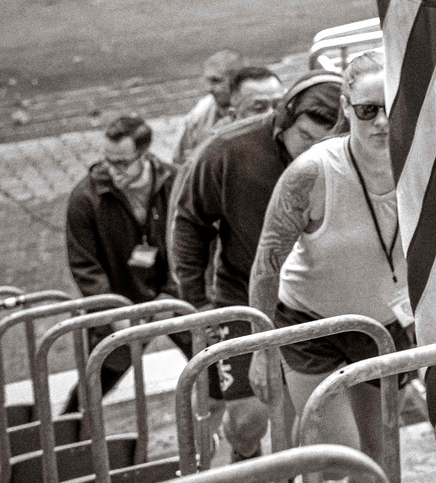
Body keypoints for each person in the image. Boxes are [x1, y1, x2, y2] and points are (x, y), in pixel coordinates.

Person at [247, 49, 412, 483]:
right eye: (366, 110)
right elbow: (266, 264)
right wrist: (262, 350)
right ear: (345, 107)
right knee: (342, 449)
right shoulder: (313, 172)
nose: (380, 122)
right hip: (309, 321)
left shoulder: (420, 161)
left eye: (390, 108)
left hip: (381, 323)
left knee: (378, 451)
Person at [170, 72, 344, 460]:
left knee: (306, 415)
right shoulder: (228, 150)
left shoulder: (350, 154)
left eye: (328, 141)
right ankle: (243, 457)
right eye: (306, 138)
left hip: (314, 301)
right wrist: (196, 302)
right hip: (243, 297)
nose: (317, 150)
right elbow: (189, 222)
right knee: (250, 418)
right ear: (283, 121)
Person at [64, 115, 178, 410]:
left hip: (174, 297)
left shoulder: (175, 183)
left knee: (216, 371)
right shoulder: (86, 198)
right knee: (95, 383)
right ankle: (70, 430)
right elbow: (84, 266)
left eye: (123, 164)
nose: (114, 172)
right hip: (120, 301)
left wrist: (173, 295)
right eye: (108, 161)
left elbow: (191, 245)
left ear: (145, 154)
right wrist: (113, 311)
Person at [173, 49, 242, 166]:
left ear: (236, 81)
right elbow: (179, 162)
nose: (209, 89)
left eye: (216, 81)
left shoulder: (257, 109)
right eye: (208, 81)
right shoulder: (199, 114)